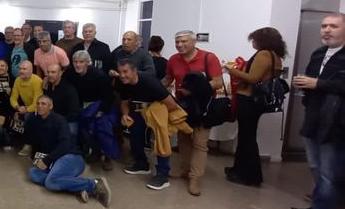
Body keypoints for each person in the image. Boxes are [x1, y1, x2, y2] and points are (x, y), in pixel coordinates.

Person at [289, 13, 345, 209]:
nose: (327, 30)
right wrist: (304, 84)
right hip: (314, 116)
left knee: (328, 172)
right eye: (324, 26)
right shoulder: (319, 53)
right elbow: (313, 83)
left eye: (333, 26)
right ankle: (320, 208)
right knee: (315, 166)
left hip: (336, 123)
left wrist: (317, 83)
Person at [161, 30, 224, 196]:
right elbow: (168, 79)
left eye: (184, 42)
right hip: (182, 106)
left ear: (194, 42)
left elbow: (218, 82)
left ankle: (195, 178)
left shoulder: (208, 58)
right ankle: (185, 169)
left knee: (200, 143)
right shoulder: (174, 59)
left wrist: (195, 89)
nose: (180, 45)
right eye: (177, 42)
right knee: (183, 139)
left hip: (203, 107)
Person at [222, 27, 286, 187]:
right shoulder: (277, 56)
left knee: (247, 138)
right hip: (256, 101)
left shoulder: (264, 54)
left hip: (249, 99)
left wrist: (231, 70)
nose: (253, 43)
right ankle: (239, 170)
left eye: (254, 39)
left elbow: (252, 78)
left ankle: (249, 175)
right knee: (247, 137)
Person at [27, 95, 111, 207]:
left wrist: (47, 160)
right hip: (54, 161)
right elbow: (36, 144)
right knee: (33, 173)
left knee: (50, 182)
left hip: (71, 157)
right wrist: (37, 159)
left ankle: (94, 184)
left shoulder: (59, 120)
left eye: (44, 104)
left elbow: (65, 145)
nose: (40, 106)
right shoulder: (35, 121)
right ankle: (76, 186)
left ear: (50, 106)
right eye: (38, 103)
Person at [118, 59, 186, 191]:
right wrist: (125, 114)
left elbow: (171, 104)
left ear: (134, 71)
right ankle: (142, 164)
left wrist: (165, 122)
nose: (122, 75)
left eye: (125, 71)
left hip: (158, 110)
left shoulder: (150, 83)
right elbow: (124, 102)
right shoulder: (124, 84)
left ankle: (162, 175)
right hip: (138, 110)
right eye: (120, 72)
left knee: (160, 141)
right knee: (135, 136)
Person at [64, 50, 115, 170]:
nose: (78, 65)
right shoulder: (70, 73)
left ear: (88, 63)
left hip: (99, 106)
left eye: (81, 62)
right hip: (79, 107)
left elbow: (108, 96)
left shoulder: (99, 75)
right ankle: (95, 152)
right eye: (75, 62)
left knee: (103, 128)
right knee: (83, 131)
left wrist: (101, 110)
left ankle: (108, 156)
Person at [10, 61, 44, 156]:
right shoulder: (17, 80)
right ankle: (14, 140)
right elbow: (13, 98)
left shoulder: (37, 81)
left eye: (24, 69)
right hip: (25, 107)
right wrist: (17, 107)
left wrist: (26, 110)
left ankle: (28, 145)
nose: (21, 71)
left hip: (39, 109)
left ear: (31, 70)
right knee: (13, 114)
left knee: (28, 117)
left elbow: (38, 103)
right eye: (20, 68)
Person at [42, 64, 80, 133]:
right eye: (48, 72)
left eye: (53, 72)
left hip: (67, 120)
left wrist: (58, 121)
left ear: (60, 73)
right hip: (51, 118)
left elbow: (74, 113)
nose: (50, 75)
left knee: (70, 131)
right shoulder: (47, 86)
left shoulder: (69, 89)